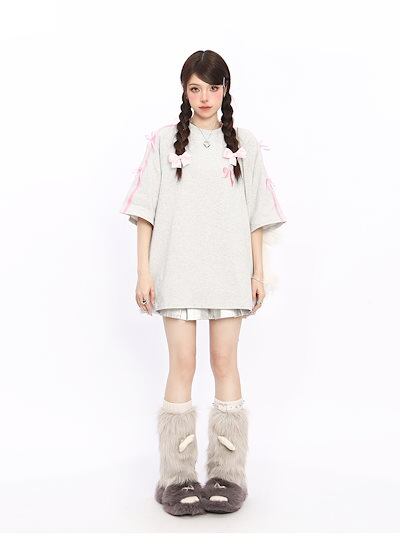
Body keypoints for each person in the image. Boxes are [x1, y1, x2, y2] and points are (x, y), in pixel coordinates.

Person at [120, 50, 287, 516]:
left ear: (225, 90)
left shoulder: (244, 144)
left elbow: (257, 215)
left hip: (229, 272)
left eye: (213, 88)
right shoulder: (165, 141)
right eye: (196, 88)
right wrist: (144, 271)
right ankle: (176, 478)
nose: (205, 97)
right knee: (183, 365)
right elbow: (145, 211)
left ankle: (227, 475)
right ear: (185, 91)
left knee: (224, 362)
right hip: (176, 272)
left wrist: (257, 272)